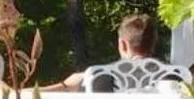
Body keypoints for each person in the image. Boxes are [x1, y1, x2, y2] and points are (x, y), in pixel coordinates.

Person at [52, 13, 186, 93]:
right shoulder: (174, 77)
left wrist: (67, 84)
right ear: (153, 43)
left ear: (122, 44)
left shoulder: (98, 77)